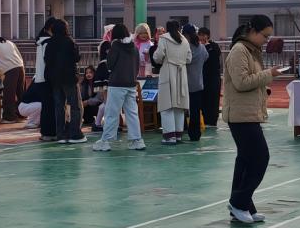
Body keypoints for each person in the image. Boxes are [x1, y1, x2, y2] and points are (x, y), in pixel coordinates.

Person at [222, 15, 282, 224]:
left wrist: (263, 86)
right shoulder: (239, 51)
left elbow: (250, 80)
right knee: (259, 158)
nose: (266, 40)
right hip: (240, 116)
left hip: (248, 113)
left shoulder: (250, 51)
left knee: (245, 160)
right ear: (253, 31)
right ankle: (239, 202)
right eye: (265, 36)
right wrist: (268, 75)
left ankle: (243, 205)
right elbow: (241, 82)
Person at [94, 24, 145, 152]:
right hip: (131, 84)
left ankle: (106, 141)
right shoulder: (134, 46)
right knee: (132, 113)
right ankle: (137, 140)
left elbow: (110, 64)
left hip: (116, 84)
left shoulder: (115, 46)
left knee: (112, 113)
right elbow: (137, 65)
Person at [44, 19, 87, 144]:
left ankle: (60, 135)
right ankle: (75, 134)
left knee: (59, 106)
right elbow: (76, 58)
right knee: (74, 105)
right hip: (69, 78)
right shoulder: (69, 41)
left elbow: (47, 59)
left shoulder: (50, 42)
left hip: (55, 79)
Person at [153, 20, 192, 145]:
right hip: (182, 73)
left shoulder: (164, 39)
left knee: (167, 106)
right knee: (179, 106)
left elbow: (158, 57)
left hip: (168, 72)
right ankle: (178, 134)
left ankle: (169, 136)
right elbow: (189, 58)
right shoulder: (185, 40)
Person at [0, 33, 26, 124]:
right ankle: (22, 115)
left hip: (11, 70)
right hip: (20, 67)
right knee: (20, 93)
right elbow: (19, 55)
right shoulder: (10, 43)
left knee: (8, 94)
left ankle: (9, 117)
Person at [183, 24, 209, 142]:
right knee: (195, 111)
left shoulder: (185, 47)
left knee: (181, 109)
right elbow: (206, 57)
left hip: (185, 84)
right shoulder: (202, 48)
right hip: (198, 83)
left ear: (186, 35)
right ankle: (195, 134)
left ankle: (181, 130)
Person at [33, 20, 57, 141]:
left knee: (46, 107)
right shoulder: (48, 42)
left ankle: (45, 132)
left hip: (40, 78)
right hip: (47, 78)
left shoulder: (41, 41)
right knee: (50, 107)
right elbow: (49, 61)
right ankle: (50, 133)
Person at [198, 27, 223, 127]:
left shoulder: (214, 46)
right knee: (203, 99)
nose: (202, 37)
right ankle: (204, 120)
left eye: (204, 35)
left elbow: (216, 58)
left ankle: (213, 121)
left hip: (213, 77)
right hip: (202, 78)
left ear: (208, 36)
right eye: (200, 35)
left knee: (213, 99)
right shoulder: (197, 46)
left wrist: (206, 46)